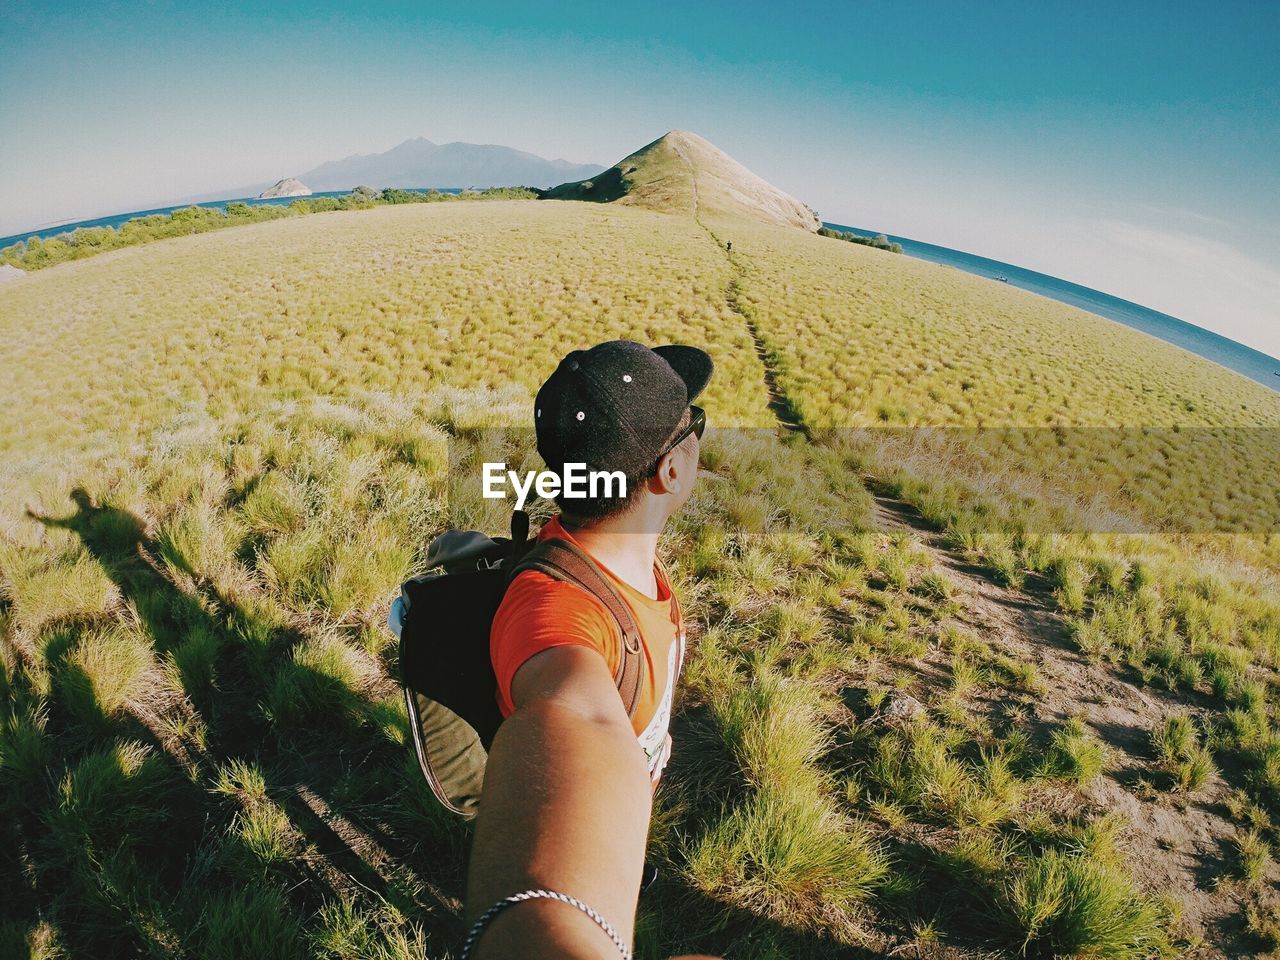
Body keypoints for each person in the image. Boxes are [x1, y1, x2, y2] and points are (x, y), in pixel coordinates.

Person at [462, 340, 717, 960]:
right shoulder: (562, 615)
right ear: (671, 471)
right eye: (695, 428)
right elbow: (574, 710)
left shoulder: (621, 557)